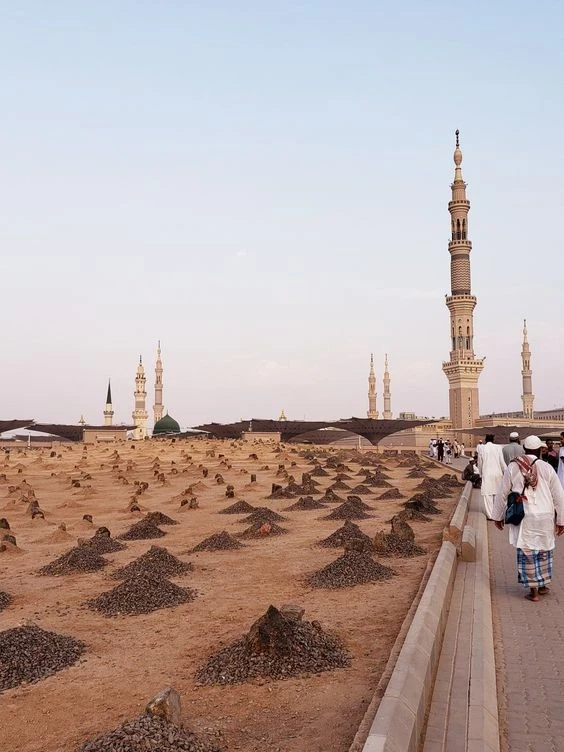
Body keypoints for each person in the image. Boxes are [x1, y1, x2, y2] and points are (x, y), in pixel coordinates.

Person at [493, 435, 564, 602]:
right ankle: (543, 585)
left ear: (524, 449)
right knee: (544, 549)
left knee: (527, 550)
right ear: (540, 450)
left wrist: (497, 516)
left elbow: (502, 492)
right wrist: (561, 520)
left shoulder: (513, 467)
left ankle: (534, 592)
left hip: (524, 515)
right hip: (545, 515)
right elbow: (559, 496)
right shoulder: (546, 468)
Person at [477, 434, 506, 519]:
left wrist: (480, 473)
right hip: (498, 473)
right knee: (497, 495)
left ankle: (490, 515)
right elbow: (502, 462)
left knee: (488, 495)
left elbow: (480, 463)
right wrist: (506, 472)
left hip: (487, 473)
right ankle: (498, 514)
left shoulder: (482, 448)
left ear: (485, 440)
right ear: (493, 440)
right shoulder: (498, 447)